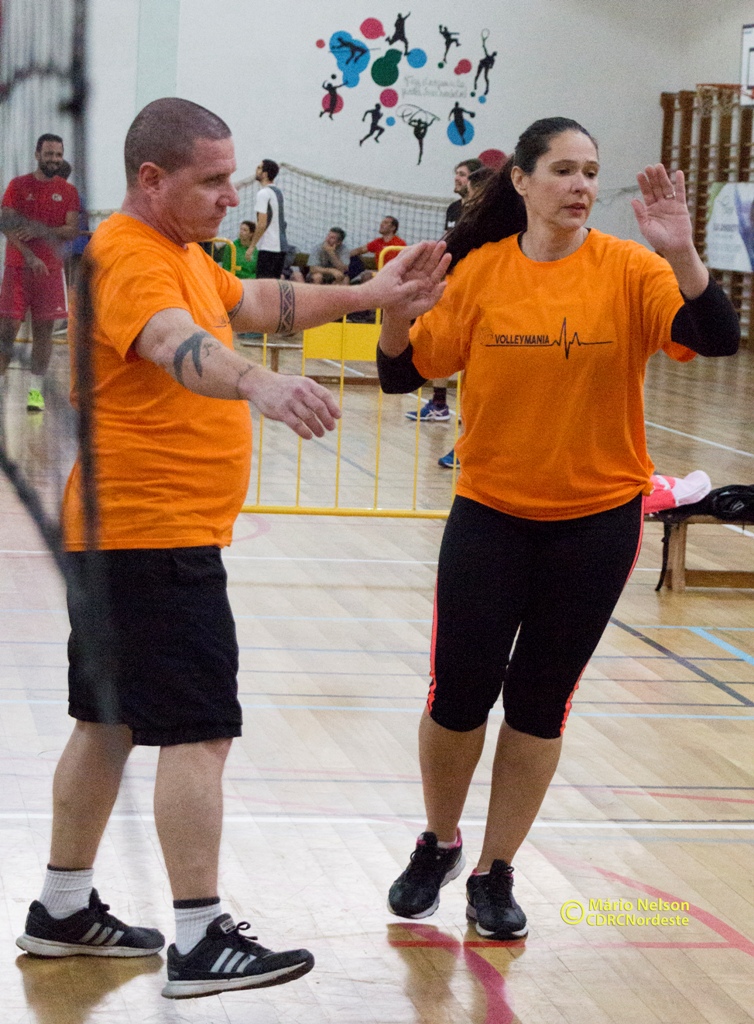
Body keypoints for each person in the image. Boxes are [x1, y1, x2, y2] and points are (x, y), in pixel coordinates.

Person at [13, 97, 449, 1000]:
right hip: (151, 534)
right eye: (211, 181)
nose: (230, 196)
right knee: (199, 733)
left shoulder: (181, 253)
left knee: (108, 724)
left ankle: (62, 909)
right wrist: (257, 384)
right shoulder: (129, 257)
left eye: (232, 177)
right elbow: (171, 340)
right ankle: (201, 937)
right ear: (151, 179)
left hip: (125, 535)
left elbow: (251, 301)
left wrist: (367, 296)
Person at [377, 116, 738, 942]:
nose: (581, 186)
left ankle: (495, 870)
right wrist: (394, 312)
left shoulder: (630, 269)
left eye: (591, 172)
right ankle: (438, 842)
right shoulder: (481, 272)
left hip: (596, 523)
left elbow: (715, 336)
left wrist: (682, 253)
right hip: (490, 514)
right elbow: (402, 372)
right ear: (522, 180)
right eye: (565, 170)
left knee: (540, 702)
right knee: (458, 694)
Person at [0, 133, 80, 411]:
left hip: (50, 272)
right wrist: (30, 255)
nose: (54, 159)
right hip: (17, 270)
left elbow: (71, 230)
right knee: (7, 332)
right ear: (37, 155)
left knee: (44, 335)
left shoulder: (68, 192)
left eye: (58, 155)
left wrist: (40, 230)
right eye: (49, 154)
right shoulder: (18, 185)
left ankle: (35, 393)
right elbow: (6, 224)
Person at [407, 159, 483, 424]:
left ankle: (471, 413)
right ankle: (439, 403)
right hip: (451, 282)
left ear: (474, 181)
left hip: (476, 284)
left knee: (475, 346)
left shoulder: (486, 211)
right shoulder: (454, 208)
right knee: (442, 339)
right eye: (456, 173)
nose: (457, 178)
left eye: (462, 174)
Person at [436, 164, 496, 466]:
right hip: (465, 300)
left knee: (481, 382)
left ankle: (471, 447)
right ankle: (465, 441)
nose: (461, 185)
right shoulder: (461, 212)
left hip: (488, 305)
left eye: (467, 182)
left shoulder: (492, 221)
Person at [244, 158, 286, 280]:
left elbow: (262, 224)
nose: (256, 170)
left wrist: (252, 246)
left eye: (259, 168)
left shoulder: (263, 194)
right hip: (281, 248)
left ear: (265, 174)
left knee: (263, 286)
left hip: (269, 247)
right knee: (274, 287)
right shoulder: (278, 192)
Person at [349, 216, 407, 282]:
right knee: (365, 275)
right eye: (382, 222)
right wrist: (344, 256)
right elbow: (361, 250)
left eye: (385, 223)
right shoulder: (378, 242)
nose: (381, 224)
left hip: (394, 274)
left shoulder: (400, 243)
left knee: (367, 276)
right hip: (380, 272)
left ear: (393, 228)